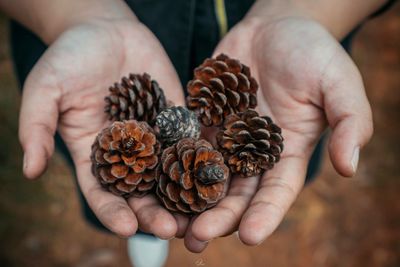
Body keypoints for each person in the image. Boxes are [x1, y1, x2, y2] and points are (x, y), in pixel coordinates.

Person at [0, 0, 395, 266]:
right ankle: (150, 234)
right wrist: (71, 14)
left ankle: (153, 231)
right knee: (127, 196)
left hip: (268, 59)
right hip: (108, 42)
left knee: (243, 187)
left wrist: (308, 12)